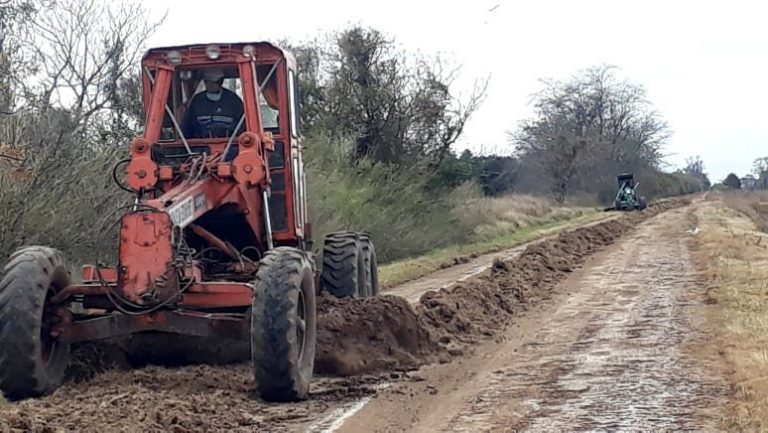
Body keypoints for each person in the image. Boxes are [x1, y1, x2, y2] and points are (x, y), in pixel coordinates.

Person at [181, 68, 244, 139]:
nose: (209, 85)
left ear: (220, 82)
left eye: (213, 82)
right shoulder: (197, 101)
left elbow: (242, 126)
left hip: (230, 145)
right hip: (201, 146)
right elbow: (188, 126)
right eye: (206, 82)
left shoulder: (234, 100)